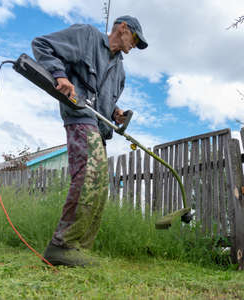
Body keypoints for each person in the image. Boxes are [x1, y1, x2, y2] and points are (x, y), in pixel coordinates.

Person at [31, 15, 148, 266]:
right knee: (88, 179)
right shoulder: (87, 37)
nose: (134, 46)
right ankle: (61, 246)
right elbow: (42, 45)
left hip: (99, 126)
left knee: (100, 189)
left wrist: (116, 113)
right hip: (79, 115)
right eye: (135, 39)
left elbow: (105, 99)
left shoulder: (120, 70)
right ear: (123, 28)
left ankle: (78, 249)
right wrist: (60, 75)